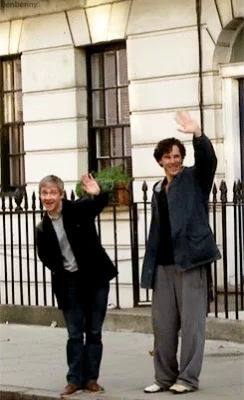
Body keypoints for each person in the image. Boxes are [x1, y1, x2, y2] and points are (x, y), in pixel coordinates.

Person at [141, 111, 221, 394]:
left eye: (177, 156)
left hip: (190, 262)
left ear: (182, 158)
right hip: (162, 266)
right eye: (168, 156)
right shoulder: (157, 189)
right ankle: (164, 377)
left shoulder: (194, 179)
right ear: (160, 160)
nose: (173, 161)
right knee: (162, 326)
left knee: (191, 326)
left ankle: (187, 379)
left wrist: (198, 134)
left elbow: (209, 161)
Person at [36, 174, 117, 396]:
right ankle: (74, 379)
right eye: (44, 193)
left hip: (95, 280)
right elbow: (45, 257)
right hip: (69, 283)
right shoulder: (42, 227)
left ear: (61, 194)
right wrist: (64, 269)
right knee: (74, 334)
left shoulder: (78, 209)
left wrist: (96, 192)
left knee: (93, 331)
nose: (48, 197)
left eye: (53, 192)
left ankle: (91, 379)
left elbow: (98, 204)